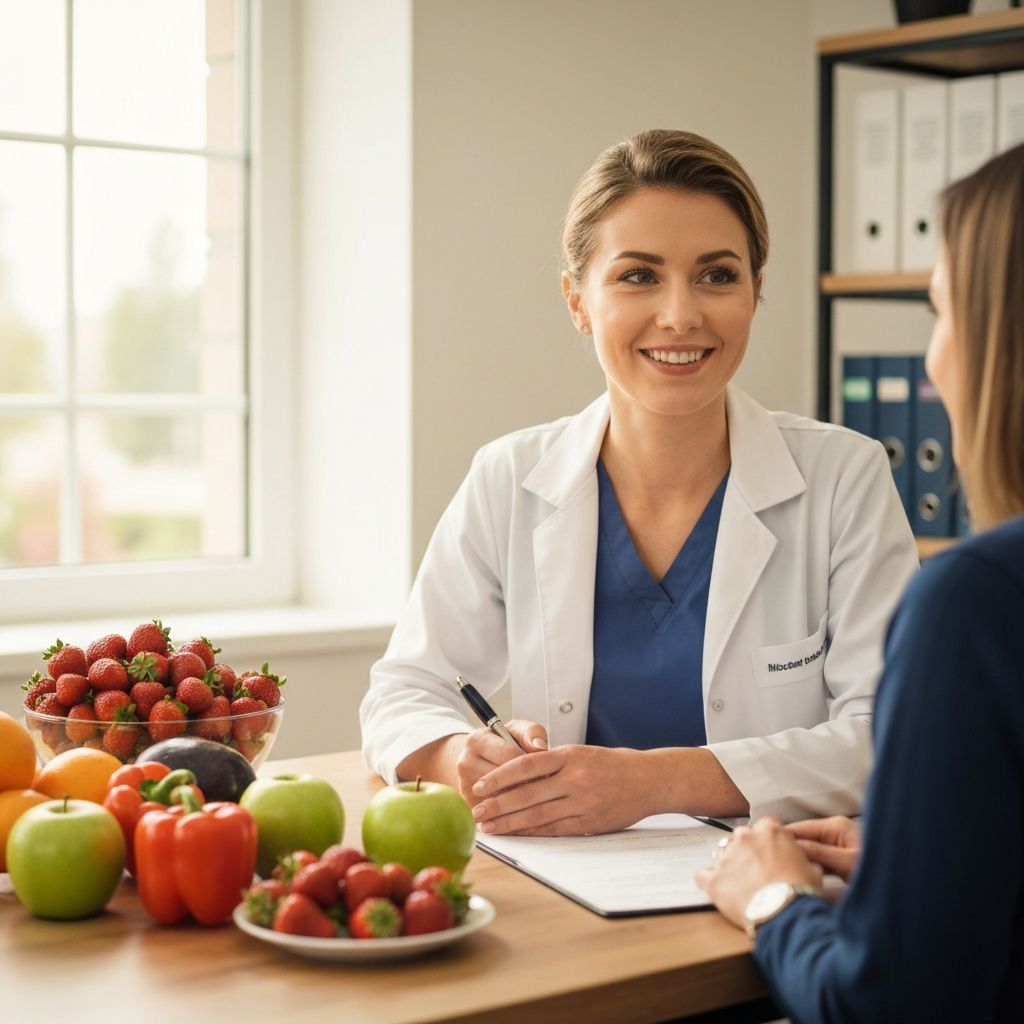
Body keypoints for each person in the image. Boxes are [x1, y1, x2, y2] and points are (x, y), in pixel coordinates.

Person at [360, 129, 918, 835]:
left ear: (756, 291)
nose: (681, 314)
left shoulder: (844, 478)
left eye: (718, 275)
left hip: (777, 885)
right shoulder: (509, 478)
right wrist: (455, 755)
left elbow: (890, 735)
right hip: (569, 884)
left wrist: (651, 783)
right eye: (638, 276)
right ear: (577, 301)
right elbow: (404, 688)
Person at [696, 142, 1024, 1022]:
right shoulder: (509, 472)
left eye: (941, 313)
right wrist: (922, 856)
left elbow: (887, 1004)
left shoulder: (978, 601)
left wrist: (770, 898)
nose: (930, 366)